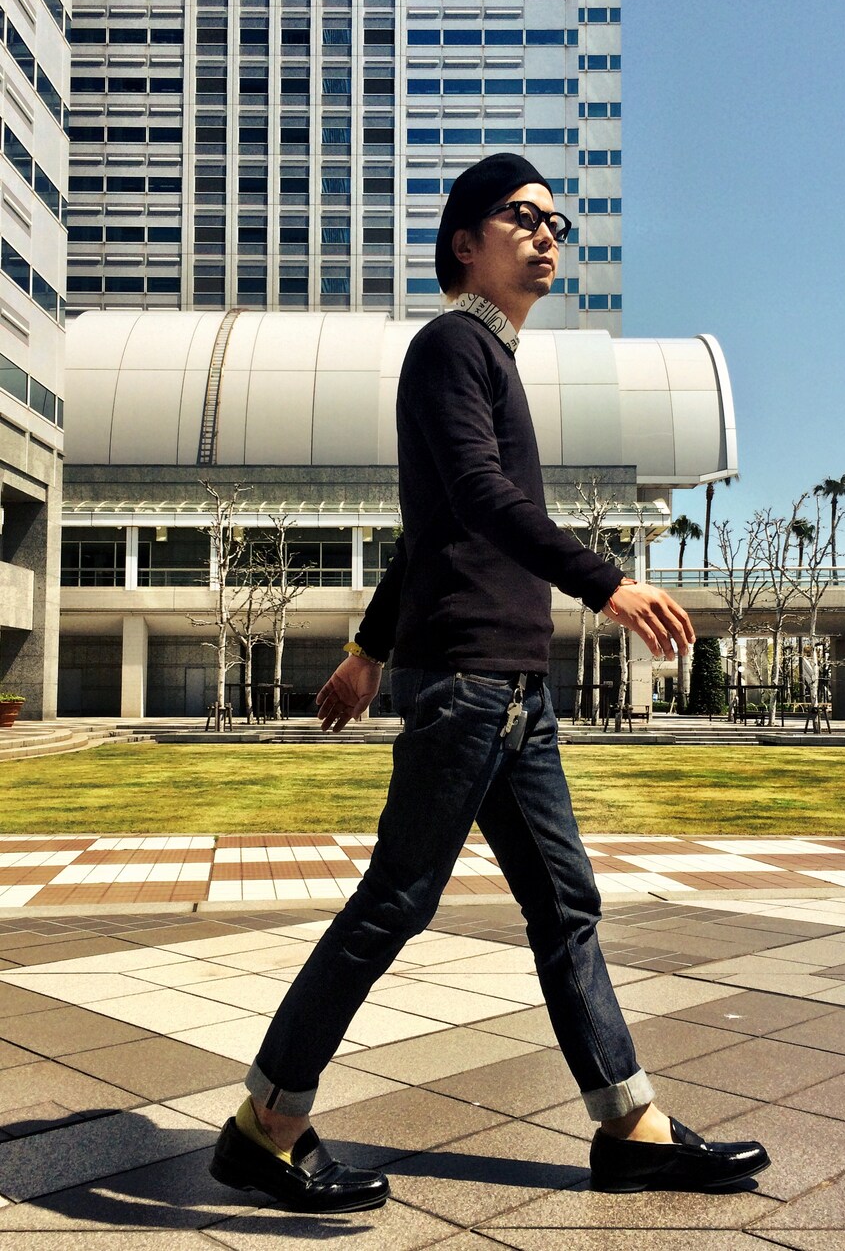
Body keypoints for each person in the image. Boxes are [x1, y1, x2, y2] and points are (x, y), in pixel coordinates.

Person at [210, 153, 769, 1212]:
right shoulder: (451, 347)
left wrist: (368, 649)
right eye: (523, 216)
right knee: (396, 900)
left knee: (565, 904)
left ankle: (631, 1127)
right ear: (464, 242)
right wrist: (606, 582)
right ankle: (264, 1125)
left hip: (513, 688)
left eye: (557, 221)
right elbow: (471, 495)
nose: (548, 233)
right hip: (470, 686)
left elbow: (429, 533)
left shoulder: (487, 358)